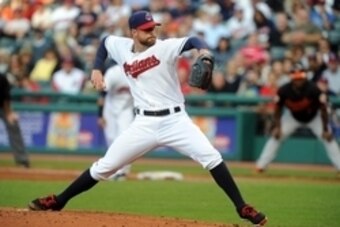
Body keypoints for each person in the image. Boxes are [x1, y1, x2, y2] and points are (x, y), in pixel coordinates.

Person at [28, 11, 267, 226]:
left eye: (154, 27)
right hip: (143, 124)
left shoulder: (165, 47)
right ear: (133, 32)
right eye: (147, 29)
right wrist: (97, 67)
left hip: (176, 120)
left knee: (212, 157)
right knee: (104, 167)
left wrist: (203, 52)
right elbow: (104, 43)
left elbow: (193, 41)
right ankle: (59, 200)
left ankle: (241, 206)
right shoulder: (121, 47)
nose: (152, 32)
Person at [256, 63, 340, 173]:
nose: (298, 80)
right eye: (296, 77)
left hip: (314, 117)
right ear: (291, 78)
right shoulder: (284, 90)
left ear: (304, 77)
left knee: (329, 138)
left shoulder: (313, 89)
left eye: (300, 77)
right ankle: (260, 166)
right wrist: (278, 126)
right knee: (276, 136)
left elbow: (323, 109)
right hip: (292, 117)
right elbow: (278, 109)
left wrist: (325, 129)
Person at [97, 64, 134, 180]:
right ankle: (112, 170)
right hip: (110, 109)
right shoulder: (114, 72)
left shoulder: (138, 69)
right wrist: (100, 114)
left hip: (126, 109)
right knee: (111, 139)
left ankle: (123, 171)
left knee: (125, 139)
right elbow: (102, 93)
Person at [0, 73, 30, 168]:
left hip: (3, 107)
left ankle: (22, 160)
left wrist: (9, 113)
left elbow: (6, 97)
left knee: (13, 125)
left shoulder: (1, 78)